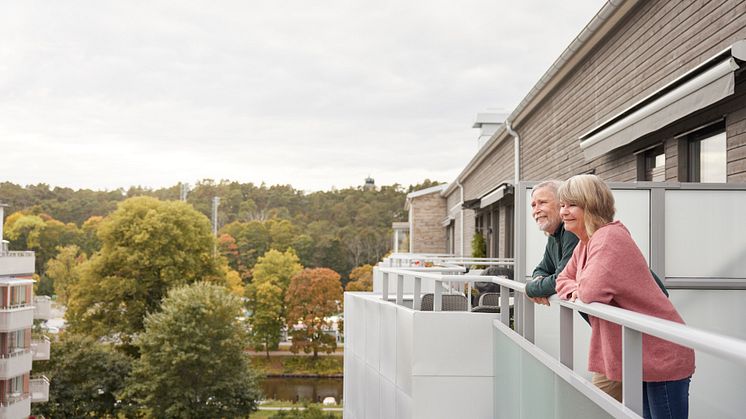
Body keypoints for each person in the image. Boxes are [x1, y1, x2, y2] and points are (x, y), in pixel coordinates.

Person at [555, 174, 695, 418]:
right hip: (638, 355)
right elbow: (561, 280)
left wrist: (578, 289)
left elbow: (590, 292)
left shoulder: (609, 238)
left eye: (571, 205)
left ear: (592, 205)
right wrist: (575, 288)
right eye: (562, 205)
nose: (563, 212)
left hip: (661, 353)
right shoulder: (585, 243)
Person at [525, 180, 578, 306]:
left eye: (542, 202)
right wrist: (540, 283)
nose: (536, 210)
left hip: (620, 318)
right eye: (533, 205)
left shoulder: (571, 231)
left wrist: (530, 289)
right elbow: (541, 269)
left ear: (561, 203)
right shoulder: (554, 235)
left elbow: (562, 279)